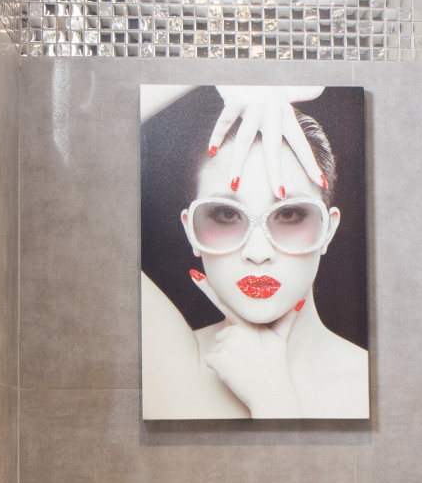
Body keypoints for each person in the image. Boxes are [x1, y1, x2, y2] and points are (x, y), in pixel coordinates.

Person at [142, 86, 369, 419]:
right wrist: (219, 75)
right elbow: (67, 166)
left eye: (289, 214)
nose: (258, 252)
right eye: (226, 214)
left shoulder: (375, 385)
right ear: (190, 229)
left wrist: (273, 399)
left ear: (328, 229)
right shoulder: (172, 365)